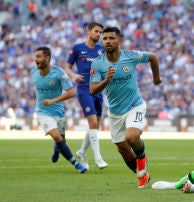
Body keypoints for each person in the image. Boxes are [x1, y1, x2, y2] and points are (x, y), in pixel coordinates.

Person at [89, 27, 162, 188]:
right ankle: (142, 174)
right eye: (105, 38)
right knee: (122, 149)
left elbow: (153, 57)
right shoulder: (98, 63)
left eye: (111, 38)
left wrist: (156, 79)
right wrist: (106, 80)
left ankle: (142, 161)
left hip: (134, 105)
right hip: (115, 112)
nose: (107, 41)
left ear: (119, 41)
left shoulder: (131, 56)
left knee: (131, 137)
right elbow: (93, 90)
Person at [31, 46, 87, 173]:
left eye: (39, 56)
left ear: (47, 58)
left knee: (61, 140)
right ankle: (77, 165)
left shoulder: (59, 73)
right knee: (56, 136)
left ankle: (57, 148)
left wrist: (52, 101)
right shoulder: (33, 73)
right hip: (42, 112)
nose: (36, 59)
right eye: (35, 56)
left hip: (58, 111)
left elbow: (71, 92)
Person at [65, 22, 108, 170]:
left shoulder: (101, 50)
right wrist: (73, 75)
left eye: (100, 32)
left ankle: (82, 152)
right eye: (96, 31)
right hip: (84, 89)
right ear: (88, 31)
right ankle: (98, 158)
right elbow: (67, 67)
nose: (99, 34)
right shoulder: (78, 48)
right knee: (94, 124)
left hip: (98, 90)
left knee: (95, 125)